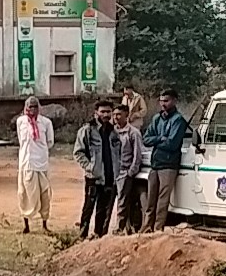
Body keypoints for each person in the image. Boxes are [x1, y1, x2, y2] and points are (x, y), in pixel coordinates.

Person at [73, 100, 122, 239]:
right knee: (88, 208)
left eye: (108, 112)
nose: (106, 115)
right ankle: (82, 236)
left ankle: (99, 237)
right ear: (96, 113)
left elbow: (118, 153)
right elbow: (78, 152)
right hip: (93, 178)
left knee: (103, 210)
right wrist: (90, 167)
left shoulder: (114, 131)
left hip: (109, 177)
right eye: (102, 112)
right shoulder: (87, 130)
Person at [141, 88, 186, 233]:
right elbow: (146, 139)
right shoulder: (157, 118)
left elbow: (172, 144)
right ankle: (146, 228)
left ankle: (158, 229)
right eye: (161, 101)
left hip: (169, 165)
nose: (163, 104)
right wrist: (160, 138)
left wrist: (156, 141)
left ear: (174, 101)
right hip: (155, 164)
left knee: (162, 200)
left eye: (166, 101)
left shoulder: (178, 120)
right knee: (150, 200)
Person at [16, 96, 55, 234]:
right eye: (30, 106)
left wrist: (39, 151)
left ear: (39, 108)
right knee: (24, 194)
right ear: (26, 107)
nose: (32, 109)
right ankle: (26, 225)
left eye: (35, 107)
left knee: (45, 195)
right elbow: (21, 141)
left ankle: (44, 224)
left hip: (42, 164)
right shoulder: (21, 121)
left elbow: (50, 142)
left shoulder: (46, 122)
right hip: (26, 163)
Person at [112, 104, 144, 234]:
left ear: (126, 115)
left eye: (119, 114)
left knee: (123, 202)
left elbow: (137, 154)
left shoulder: (133, 133)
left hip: (125, 172)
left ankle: (119, 228)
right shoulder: (112, 131)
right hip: (112, 172)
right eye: (114, 114)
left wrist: (131, 171)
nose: (116, 117)